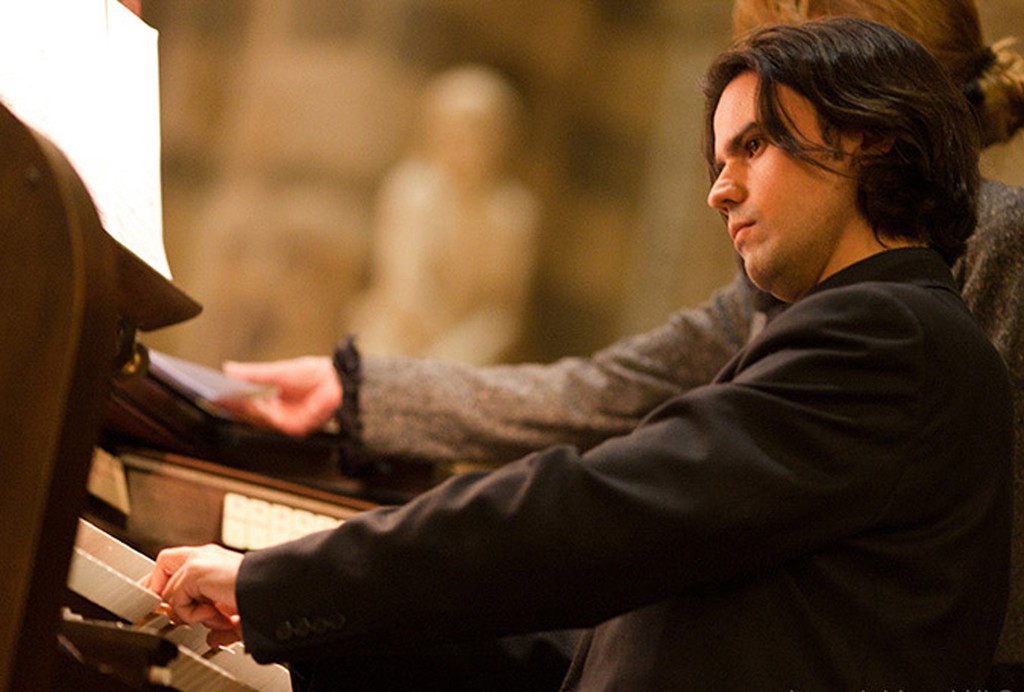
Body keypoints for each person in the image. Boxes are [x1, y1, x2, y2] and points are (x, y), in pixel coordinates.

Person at [149, 18, 1012, 690]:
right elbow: (593, 645)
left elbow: (596, 511)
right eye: (718, 160)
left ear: (865, 135)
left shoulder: (892, 337)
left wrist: (286, 584)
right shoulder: (868, 332)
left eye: (753, 145)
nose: (720, 190)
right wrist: (311, 628)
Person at [346, 64, 539, 365]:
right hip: (397, 343)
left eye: (479, 127)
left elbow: (501, 313)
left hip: (465, 356)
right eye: (454, 124)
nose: (465, 137)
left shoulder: (512, 213)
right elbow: (405, 290)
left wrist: (461, 354)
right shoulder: (413, 190)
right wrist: (434, 361)